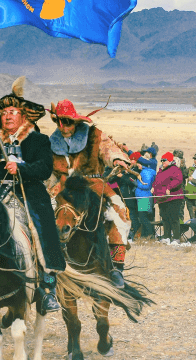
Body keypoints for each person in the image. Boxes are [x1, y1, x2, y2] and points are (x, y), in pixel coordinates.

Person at [0, 80, 64, 314]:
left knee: (41, 227)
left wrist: (20, 168)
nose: (7, 116)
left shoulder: (39, 140)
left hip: (28, 192)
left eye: (12, 112)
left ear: (23, 115)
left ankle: (48, 287)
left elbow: (44, 169)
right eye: (3, 113)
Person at [46, 99, 132, 288]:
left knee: (119, 211)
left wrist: (117, 159)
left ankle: (117, 267)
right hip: (63, 187)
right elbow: (49, 170)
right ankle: (47, 267)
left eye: (67, 121)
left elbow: (109, 150)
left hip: (92, 184)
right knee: (42, 214)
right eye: (60, 121)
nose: (63, 126)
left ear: (75, 121)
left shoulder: (94, 135)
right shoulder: (52, 141)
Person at [153, 152, 185, 240]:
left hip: (173, 198)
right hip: (162, 199)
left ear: (170, 160)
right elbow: (157, 182)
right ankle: (166, 236)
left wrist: (169, 187)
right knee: (165, 218)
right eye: (162, 160)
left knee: (174, 218)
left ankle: (176, 238)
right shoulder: (160, 170)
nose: (163, 162)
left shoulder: (175, 169)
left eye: (165, 160)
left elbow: (178, 180)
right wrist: (153, 187)